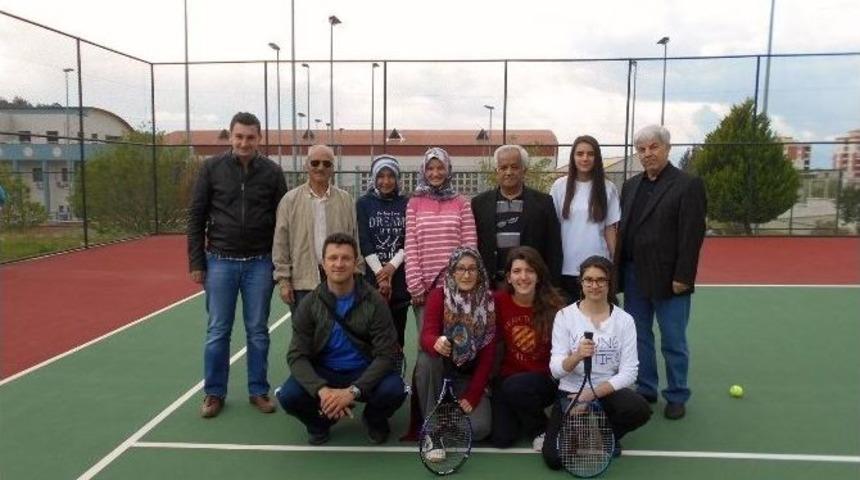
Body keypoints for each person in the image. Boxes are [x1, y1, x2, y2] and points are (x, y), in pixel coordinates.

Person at [187, 112, 288, 418]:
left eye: (251, 137)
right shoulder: (211, 169)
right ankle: (214, 393)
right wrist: (196, 261)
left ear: (259, 139)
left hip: (260, 263)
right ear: (230, 137)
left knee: (258, 330)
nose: (244, 142)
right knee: (218, 330)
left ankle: (258, 390)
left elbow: (282, 222)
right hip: (220, 262)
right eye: (239, 136)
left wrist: (279, 264)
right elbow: (196, 216)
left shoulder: (272, 172)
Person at [275, 233, 406, 445]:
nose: (339, 264)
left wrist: (352, 391)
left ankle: (373, 420)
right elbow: (296, 356)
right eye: (333, 258)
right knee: (288, 395)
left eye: (345, 258)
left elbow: (386, 354)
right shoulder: (309, 304)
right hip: (325, 372)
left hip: (364, 368)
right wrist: (322, 390)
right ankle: (320, 423)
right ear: (323, 264)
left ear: (355, 263)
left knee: (394, 390)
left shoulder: (374, 301)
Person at [616, 125, 707, 420]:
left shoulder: (687, 185)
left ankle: (677, 394)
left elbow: (692, 236)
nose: (647, 154)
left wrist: (683, 276)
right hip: (633, 275)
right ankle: (646, 387)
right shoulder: (630, 187)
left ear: (667, 148)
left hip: (670, 279)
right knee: (639, 336)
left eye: (653, 147)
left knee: (673, 340)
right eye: (641, 149)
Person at [543, 255, 651, 468]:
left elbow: (629, 372)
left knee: (639, 409)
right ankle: (579, 427)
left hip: (605, 390)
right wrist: (576, 356)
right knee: (555, 459)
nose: (594, 285)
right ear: (581, 283)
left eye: (601, 280)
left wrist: (590, 396)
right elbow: (556, 370)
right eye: (589, 280)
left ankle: (607, 433)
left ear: (609, 283)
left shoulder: (624, 320)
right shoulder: (564, 316)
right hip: (571, 392)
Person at [415, 247, 496, 458]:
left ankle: (447, 416)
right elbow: (425, 337)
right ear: (451, 272)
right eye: (460, 269)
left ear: (480, 272)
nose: (466, 275)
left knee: (479, 429)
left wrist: (473, 394)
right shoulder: (437, 296)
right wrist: (436, 342)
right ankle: (431, 431)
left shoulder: (488, 301)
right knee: (426, 360)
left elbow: (488, 356)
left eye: (472, 269)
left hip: (467, 378)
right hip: (442, 374)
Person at [491, 246, 565, 451]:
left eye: (530, 271)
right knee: (501, 439)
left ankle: (540, 428)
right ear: (508, 277)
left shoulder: (555, 307)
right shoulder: (497, 302)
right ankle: (522, 412)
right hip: (506, 380)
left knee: (517, 387)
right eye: (517, 271)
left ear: (538, 276)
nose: (523, 277)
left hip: (542, 382)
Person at [273, 144, 361, 311]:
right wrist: (284, 280)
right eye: (315, 163)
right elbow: (280, 243)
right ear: (306, 165)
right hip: (303, 282)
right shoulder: (289, 200)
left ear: (333, 168)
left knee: (339, 333)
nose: (320, 167)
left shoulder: (346, 200)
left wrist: (356, 275)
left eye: (326, 164)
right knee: (305, 334)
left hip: (340, 280)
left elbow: (354, 240)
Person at [405, 147, 477, 331]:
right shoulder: (414, 203)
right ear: (423, 171)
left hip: (457, 286)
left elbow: (469, 246)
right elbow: (411, 246)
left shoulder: (461, 202)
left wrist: (465, 280)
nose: (435, 173)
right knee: (427, 347)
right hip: (425, 289)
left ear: (448, 169)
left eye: (440, 168)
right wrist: (415, 285)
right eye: (430, 168)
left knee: (458, 341)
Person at [472, 145, 562, 288]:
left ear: (524, 170)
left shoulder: (543, 203)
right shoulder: (479, 204)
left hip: (530, 286)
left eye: (514, 167)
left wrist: (552, 287)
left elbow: (554, 249)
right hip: (491, 286)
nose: (509, 172)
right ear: (497, 171)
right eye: (503, 167)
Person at [549, 135, 620, 303]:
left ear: (597, 158)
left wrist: (615, 264)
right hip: (566, 269)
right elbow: (553, 227)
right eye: (580, 154)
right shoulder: (559, 186)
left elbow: (610, 229)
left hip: (598, 269)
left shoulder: (608, 188)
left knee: (599, 321)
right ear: (573, 157)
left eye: (590, 154)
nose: (585, 158)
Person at [356, 155, 410, 348]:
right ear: (374, 177)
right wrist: (381, 273)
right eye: (381, 175)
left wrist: (392, 268)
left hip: (400, 281)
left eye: (390, 176)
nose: (386, 181)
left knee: (396, 336)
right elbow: (364, 240)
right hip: (372, 281)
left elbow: (409, 239)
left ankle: (395, 374)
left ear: (397, 178)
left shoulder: (407, 203)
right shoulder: (363, 204)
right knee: (372, 335)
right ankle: (372, 376)